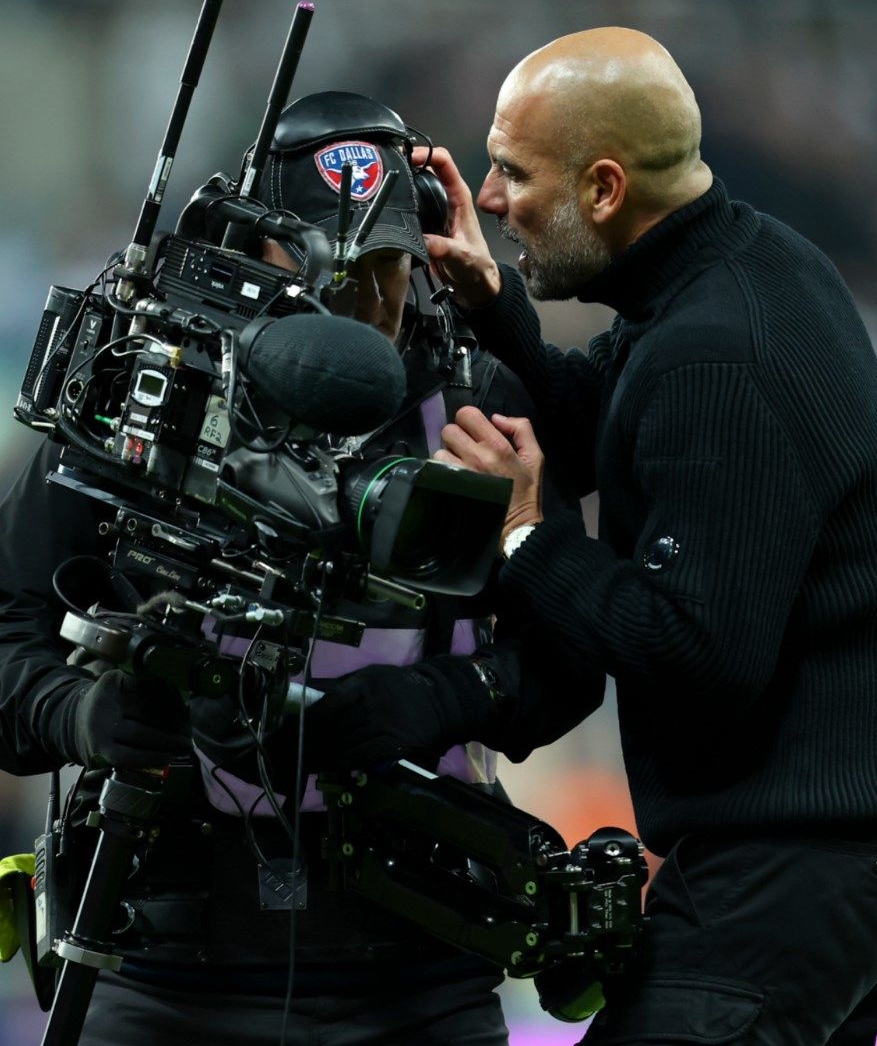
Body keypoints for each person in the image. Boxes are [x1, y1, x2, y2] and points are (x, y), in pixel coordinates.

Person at [0, 91, 598, 1044]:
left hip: (419, 963)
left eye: (383, 268)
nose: (360, 303)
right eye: (327, 268)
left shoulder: (476, 406)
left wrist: (441, 699)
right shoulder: (143, 398)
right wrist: (78, 715)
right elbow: (8, 628)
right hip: (164, 961)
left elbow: (570, 659)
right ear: (254, 260)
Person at [413, 28, 877, 1045]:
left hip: (792, 872)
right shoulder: (751, 263)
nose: (489, 198)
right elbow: (612, 430)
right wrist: (495, 307)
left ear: (605, 189)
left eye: (514, 173)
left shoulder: (714, 353)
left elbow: (696, 653)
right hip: (856, 856)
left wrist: (527, 533)